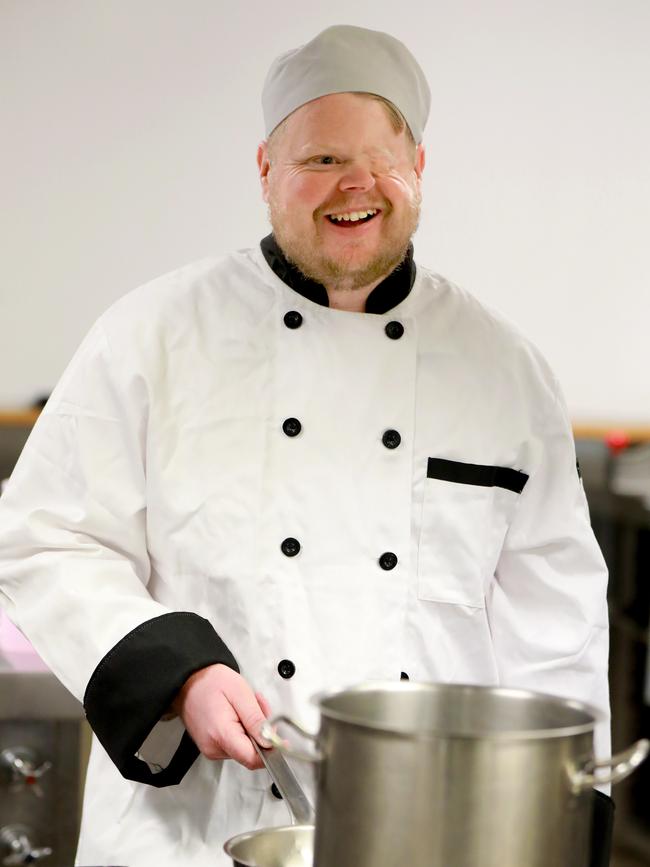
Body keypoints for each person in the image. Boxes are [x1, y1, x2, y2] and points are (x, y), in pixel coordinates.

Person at [0, 24, 612, 867]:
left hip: (436, 829)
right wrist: (180, 674)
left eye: (380, 159)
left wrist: (565, 820)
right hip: (192, 830)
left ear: (419, 169)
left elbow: (558, 624)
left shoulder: (503, 370)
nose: (354, 185)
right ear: (265, 170)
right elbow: (44, 533)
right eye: (320, 159)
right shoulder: (150, 336)